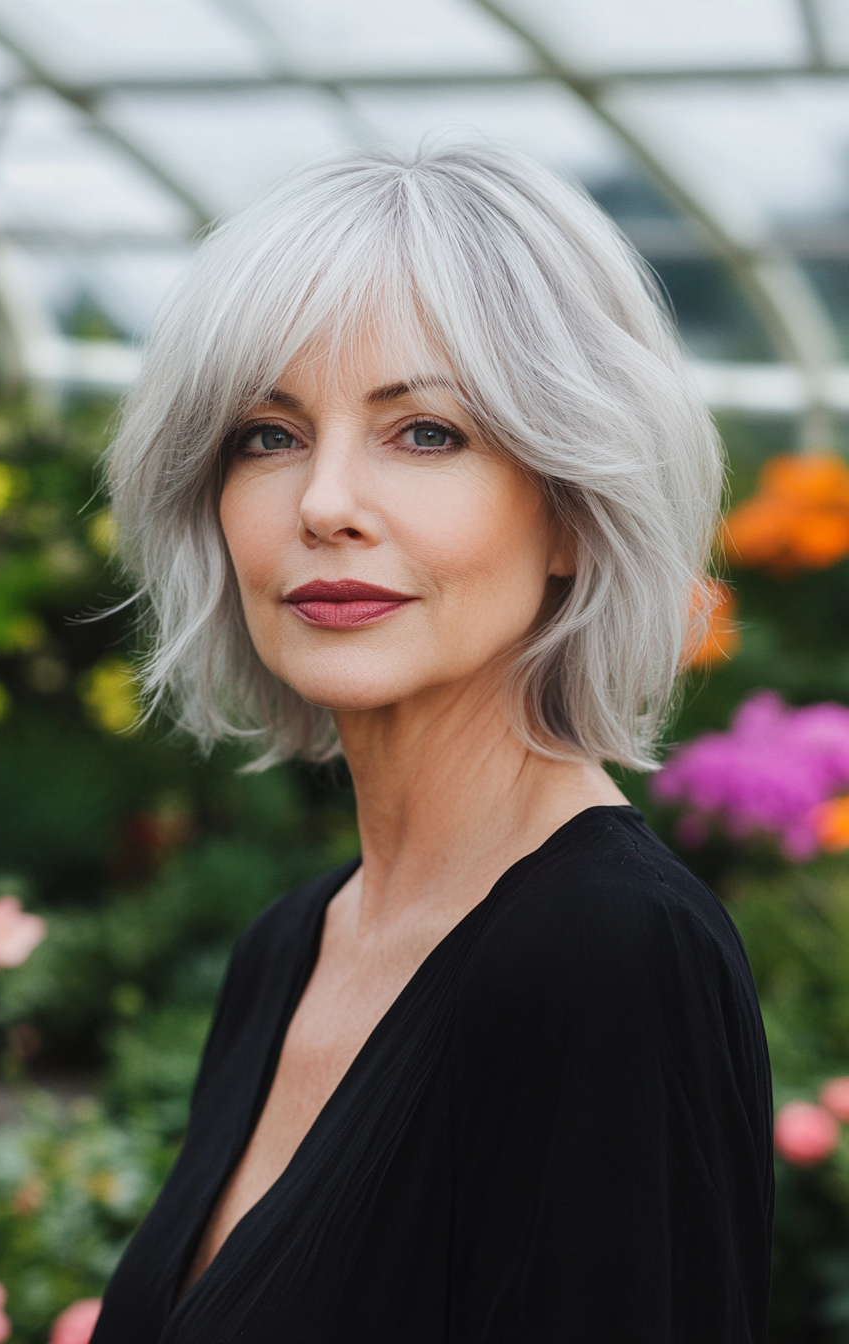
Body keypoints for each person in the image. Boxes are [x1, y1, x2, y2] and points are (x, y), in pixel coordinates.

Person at [90, 142, 772, 1344]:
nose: (323, 502)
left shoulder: (608, 956)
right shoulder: (289, 948)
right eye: (266, 434)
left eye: (423, 433)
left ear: (569, 506)